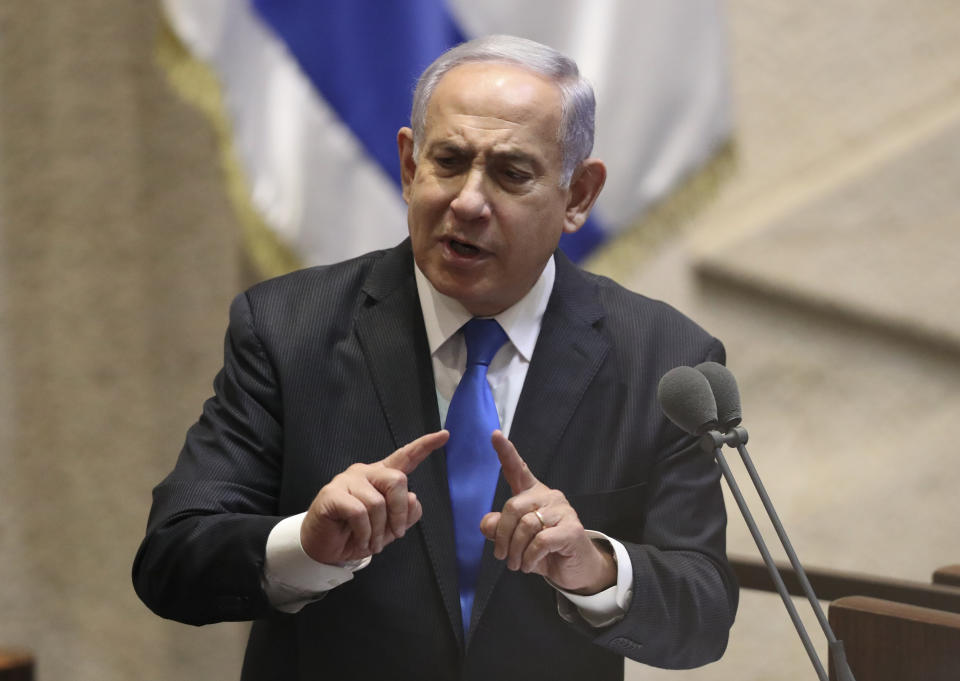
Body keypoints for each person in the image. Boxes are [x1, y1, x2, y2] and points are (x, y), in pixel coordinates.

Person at [133, 35, 737, 680]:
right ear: (408, 165)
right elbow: (173, 559)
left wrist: (594, 567)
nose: (468, 201)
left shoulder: (665, 361)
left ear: (579, 196)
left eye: (511, 173)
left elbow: (701, 615)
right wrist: (305, 545)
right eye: (448, 161)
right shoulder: (287, 328)